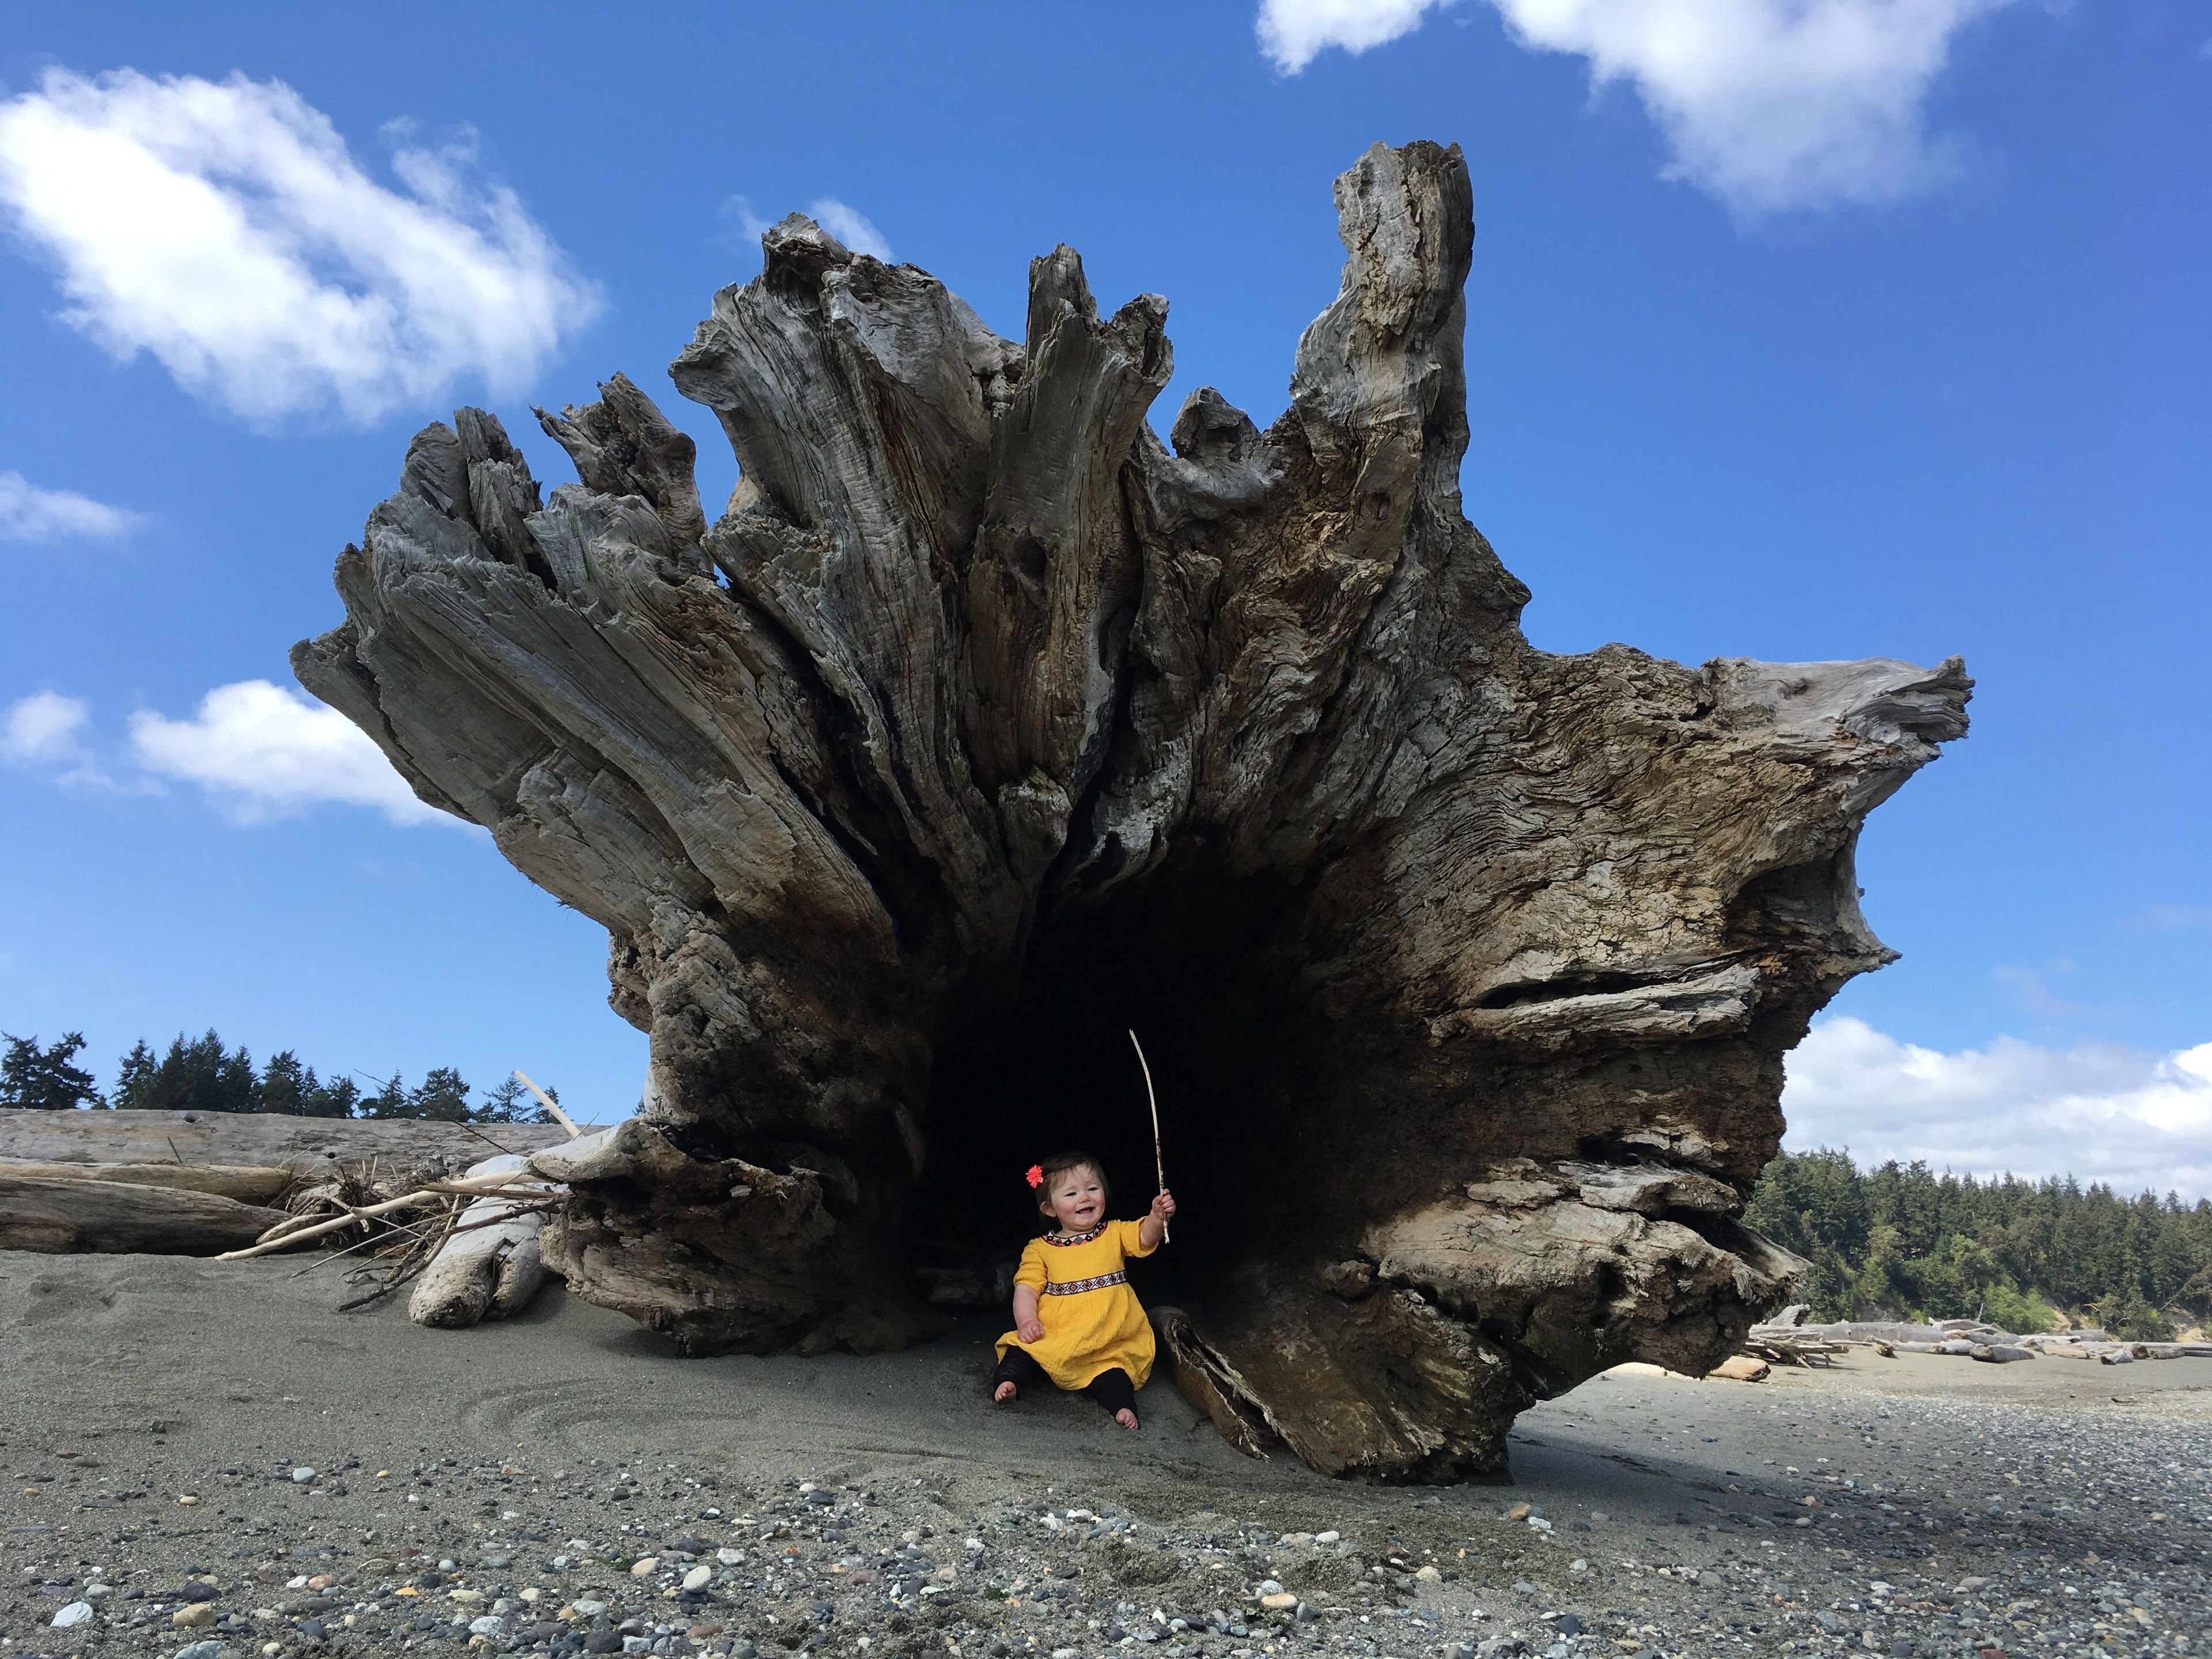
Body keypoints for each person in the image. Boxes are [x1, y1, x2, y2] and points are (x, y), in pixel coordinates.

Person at [990, 1150, 1176, 1429]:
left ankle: (1122, 1407)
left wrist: (1157, 1216)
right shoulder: (1040, 1249)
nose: (1085, 1198)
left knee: (1115, 1373)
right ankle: (1009, 1382)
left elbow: (1144, 1236)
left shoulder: (1114, 1233)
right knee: (1020, 1351)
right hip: (1058, 1334)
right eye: (1071, 1194)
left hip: (1108, 1338)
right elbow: (1027, 1288)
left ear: (1105, 1193)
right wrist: (1028, 1321)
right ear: (1049, 1209)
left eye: (1092, 1189)